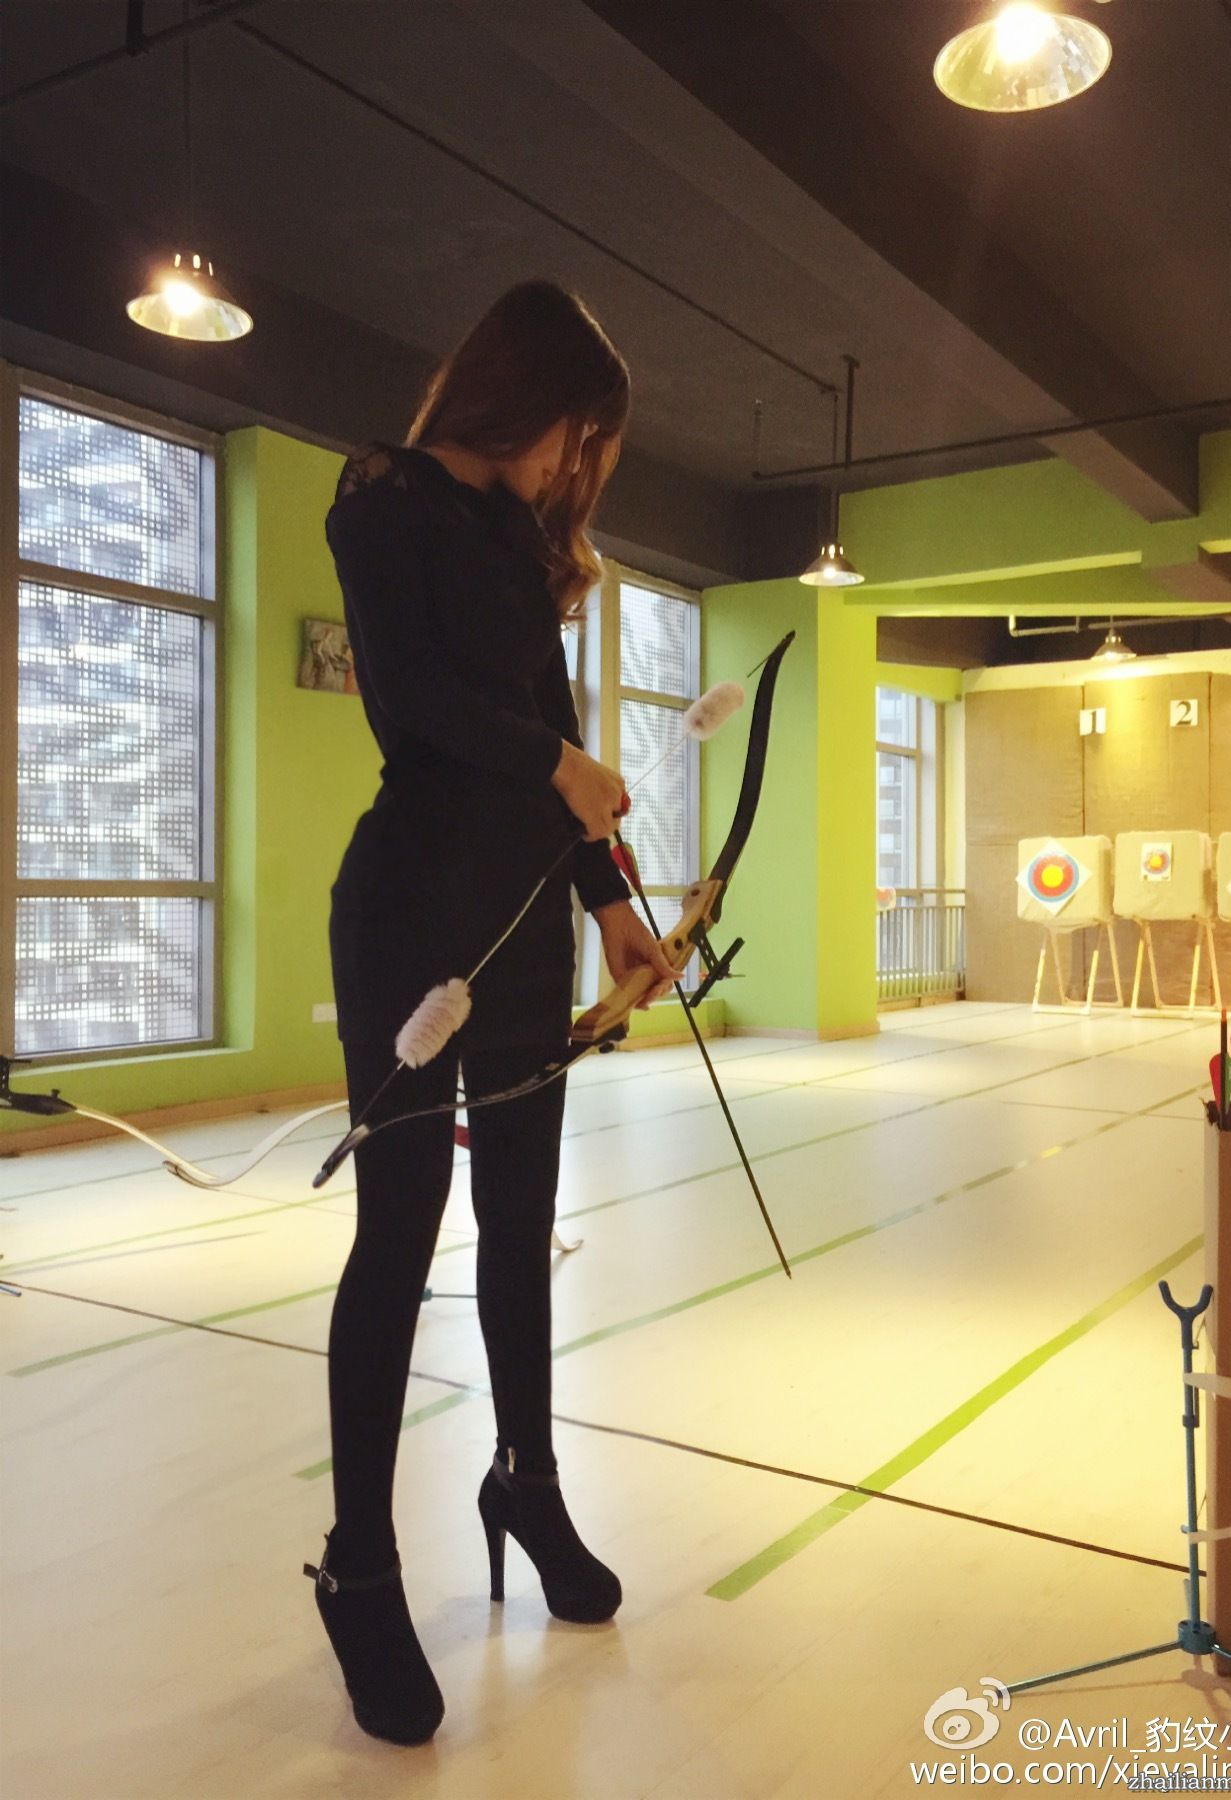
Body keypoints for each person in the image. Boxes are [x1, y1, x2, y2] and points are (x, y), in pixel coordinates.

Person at [306, 280, 677, 1747]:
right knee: (397, 1237)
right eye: (579, 437)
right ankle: (359, 1565)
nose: (578, 470)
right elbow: (412, 702)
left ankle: (526, 1481)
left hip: (523, 935)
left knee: (518, 1227)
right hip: (408, 922)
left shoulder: (523, 545)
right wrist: (553, 767)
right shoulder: (383, 498)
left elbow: (558, 737)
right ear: (526, 400)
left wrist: (613, 904)